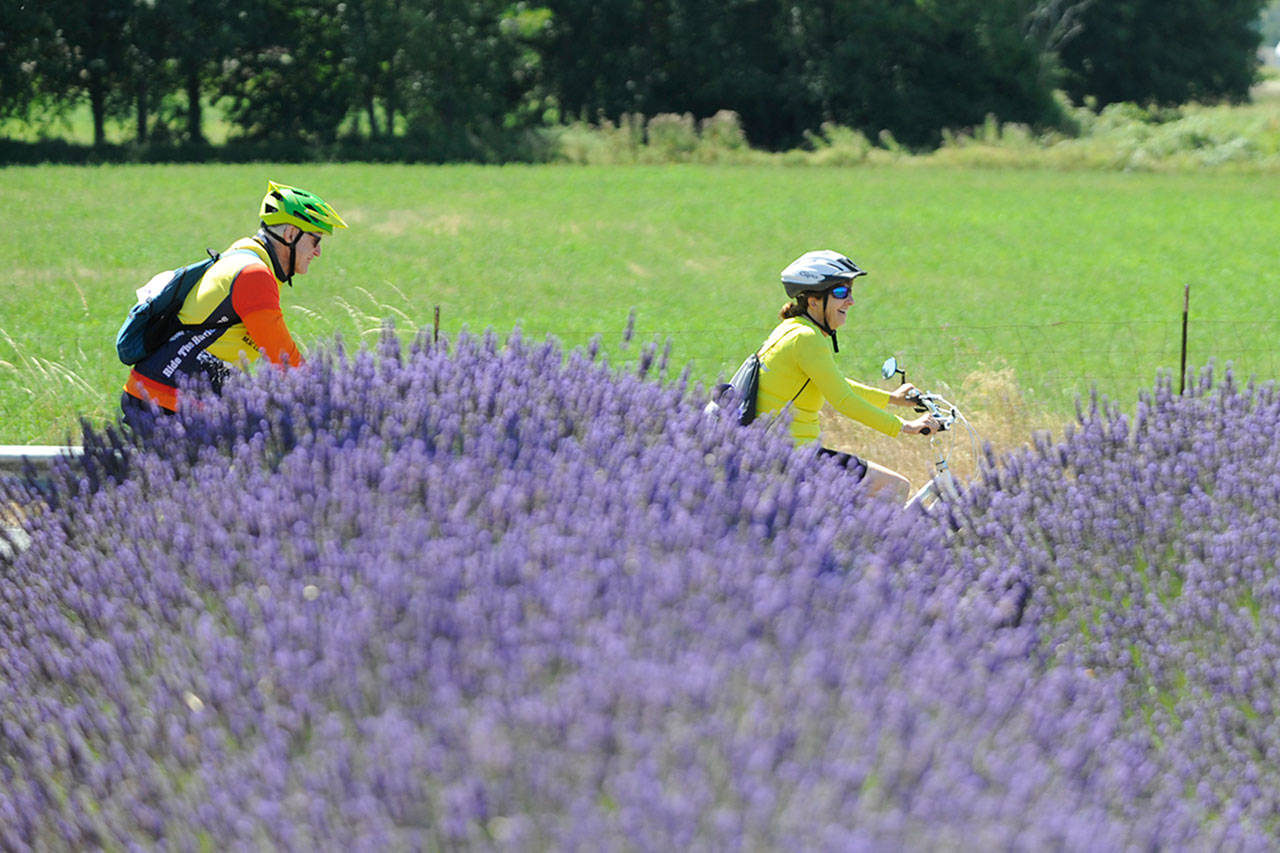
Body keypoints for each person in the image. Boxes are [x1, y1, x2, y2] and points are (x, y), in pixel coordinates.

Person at [121, 181, 347, 423]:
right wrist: (331, 403)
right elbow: (283, 358)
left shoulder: (245, 258)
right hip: (165, 403)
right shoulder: (253, 275)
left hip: (169, 398)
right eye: (315, 241)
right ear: (291, 234)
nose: (318, 252)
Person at [755, 249, 938, 502]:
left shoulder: (792, 330)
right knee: (895, 488)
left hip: (780, 454)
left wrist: (892, 399)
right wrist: (907, 426)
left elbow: (835, 383)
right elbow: (843, 401)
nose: (850, 301)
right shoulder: (806, 338)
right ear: (814, 301)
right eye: (841, 292)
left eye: (850, 292)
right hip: (794, 457)